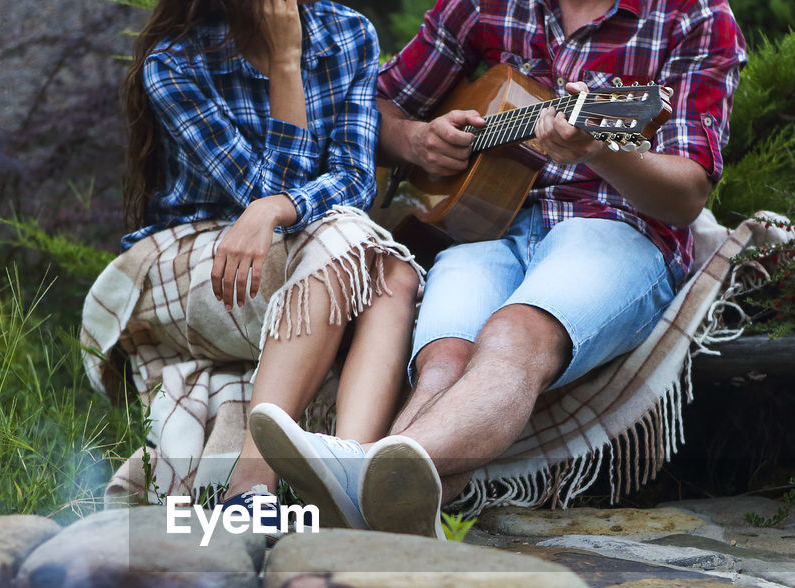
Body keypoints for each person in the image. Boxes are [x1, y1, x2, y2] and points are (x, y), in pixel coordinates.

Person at [249, 0, 748, 537]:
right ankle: (388, 510)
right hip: (479, 229)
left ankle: (360, 474)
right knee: (442, 362)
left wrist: (602, 152)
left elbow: (686, 196)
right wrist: (416, 140)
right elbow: (372, 107)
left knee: (515, 334)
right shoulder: (481, 6)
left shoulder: (693, 16)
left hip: (616, 228)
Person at [83, 0, 423, 531]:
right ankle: (250, 481)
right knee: (355, 251)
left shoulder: (348, 32)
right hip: (193, 255)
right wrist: (288, 65)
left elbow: (356, 179)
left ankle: (348, 472)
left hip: (310, 243)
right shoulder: (175, 62)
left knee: (391, 272)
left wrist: (276, 209)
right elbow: (259, 189)